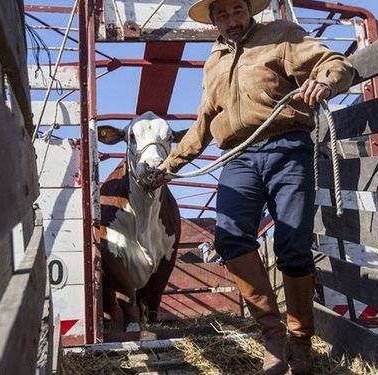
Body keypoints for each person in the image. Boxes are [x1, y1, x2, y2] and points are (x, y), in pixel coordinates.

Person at [151, 0, 354, 373]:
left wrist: (324, 82)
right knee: (229, 236)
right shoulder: (213, 63)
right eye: (222, 15)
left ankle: (300, 340)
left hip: (287, 144)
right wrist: (170, 164)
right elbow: (203, 123)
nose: (232, 20)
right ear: (213, 21)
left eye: (237, 11)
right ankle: (272, 335)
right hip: (239, 155)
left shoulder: (281, 35)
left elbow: (335, 62)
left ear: (249, 10)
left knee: (292, 245)